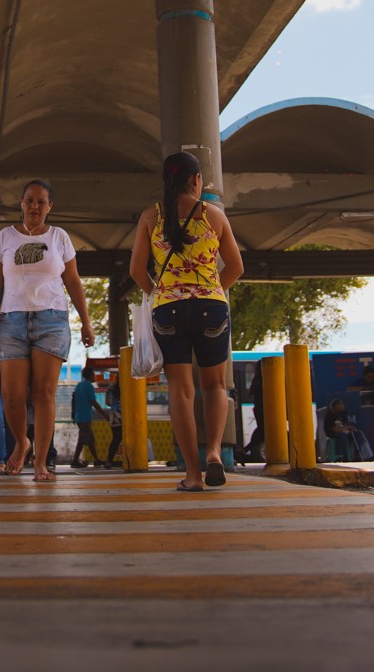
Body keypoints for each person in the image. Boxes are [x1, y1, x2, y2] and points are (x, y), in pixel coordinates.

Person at [128, 152, 244, 492]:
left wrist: (162, 293)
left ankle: (192, 475)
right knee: (215, 386)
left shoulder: (152, 216)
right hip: (212, 306)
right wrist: (211, 292)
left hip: (169, 309)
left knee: (181, 390)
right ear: (196, 180)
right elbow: (236, 267)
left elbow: (137, 271)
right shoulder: (215, 215)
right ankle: (213, 453)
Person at [0, 179, 94, 482]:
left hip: (50, 319)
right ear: (21, 203)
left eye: (41, 202)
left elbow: (73, 281)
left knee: (44, 393)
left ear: (49, 207)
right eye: (29, 200)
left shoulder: (60, 237)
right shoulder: (4, 237)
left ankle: (41, 462)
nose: (34, 206)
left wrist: (86, 320)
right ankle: (22, 442)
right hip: (11, 320)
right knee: (11, 396)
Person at [69, 365, 108, 468]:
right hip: (85, 417)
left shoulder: (79, 385)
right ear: (90, 375)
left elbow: (73, 399)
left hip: (79, 416)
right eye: (94, 374)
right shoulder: (89, 386)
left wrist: (73, 414)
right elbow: (93, 402)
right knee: (82, 439)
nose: (94, 376)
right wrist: (104, 414)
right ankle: (75, 461)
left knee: (90, 440)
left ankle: (96, 459)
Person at [322, 397, 362, 462]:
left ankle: (357, 455)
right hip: (333, 433)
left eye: (342, 404)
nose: (342, 406)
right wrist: (346, 428)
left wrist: (350, 428)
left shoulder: (344, 413)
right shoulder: (330, 415)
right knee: (343, 436)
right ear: (335, 406)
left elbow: (346, 424)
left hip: (343, 430)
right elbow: (334, 429)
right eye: (340, 404)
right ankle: (345, 457)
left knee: (356, 434)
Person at [103, 373, 124, 468]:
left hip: (114, 418)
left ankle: (109, 461)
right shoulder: (127, 387)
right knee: (129, 439)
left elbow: (107, 402)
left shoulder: (110, 389)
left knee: (116, 439)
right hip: (127, 418)